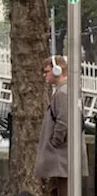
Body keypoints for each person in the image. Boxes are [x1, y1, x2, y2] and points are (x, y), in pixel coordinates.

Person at [34, 56, 88, 195]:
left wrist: (54, 142)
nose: (44, 75)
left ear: (57, 71)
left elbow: (64, 122)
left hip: (62, 160)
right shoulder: (69, 91)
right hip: (64, 159)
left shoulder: (63, 93)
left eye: (47, 71)